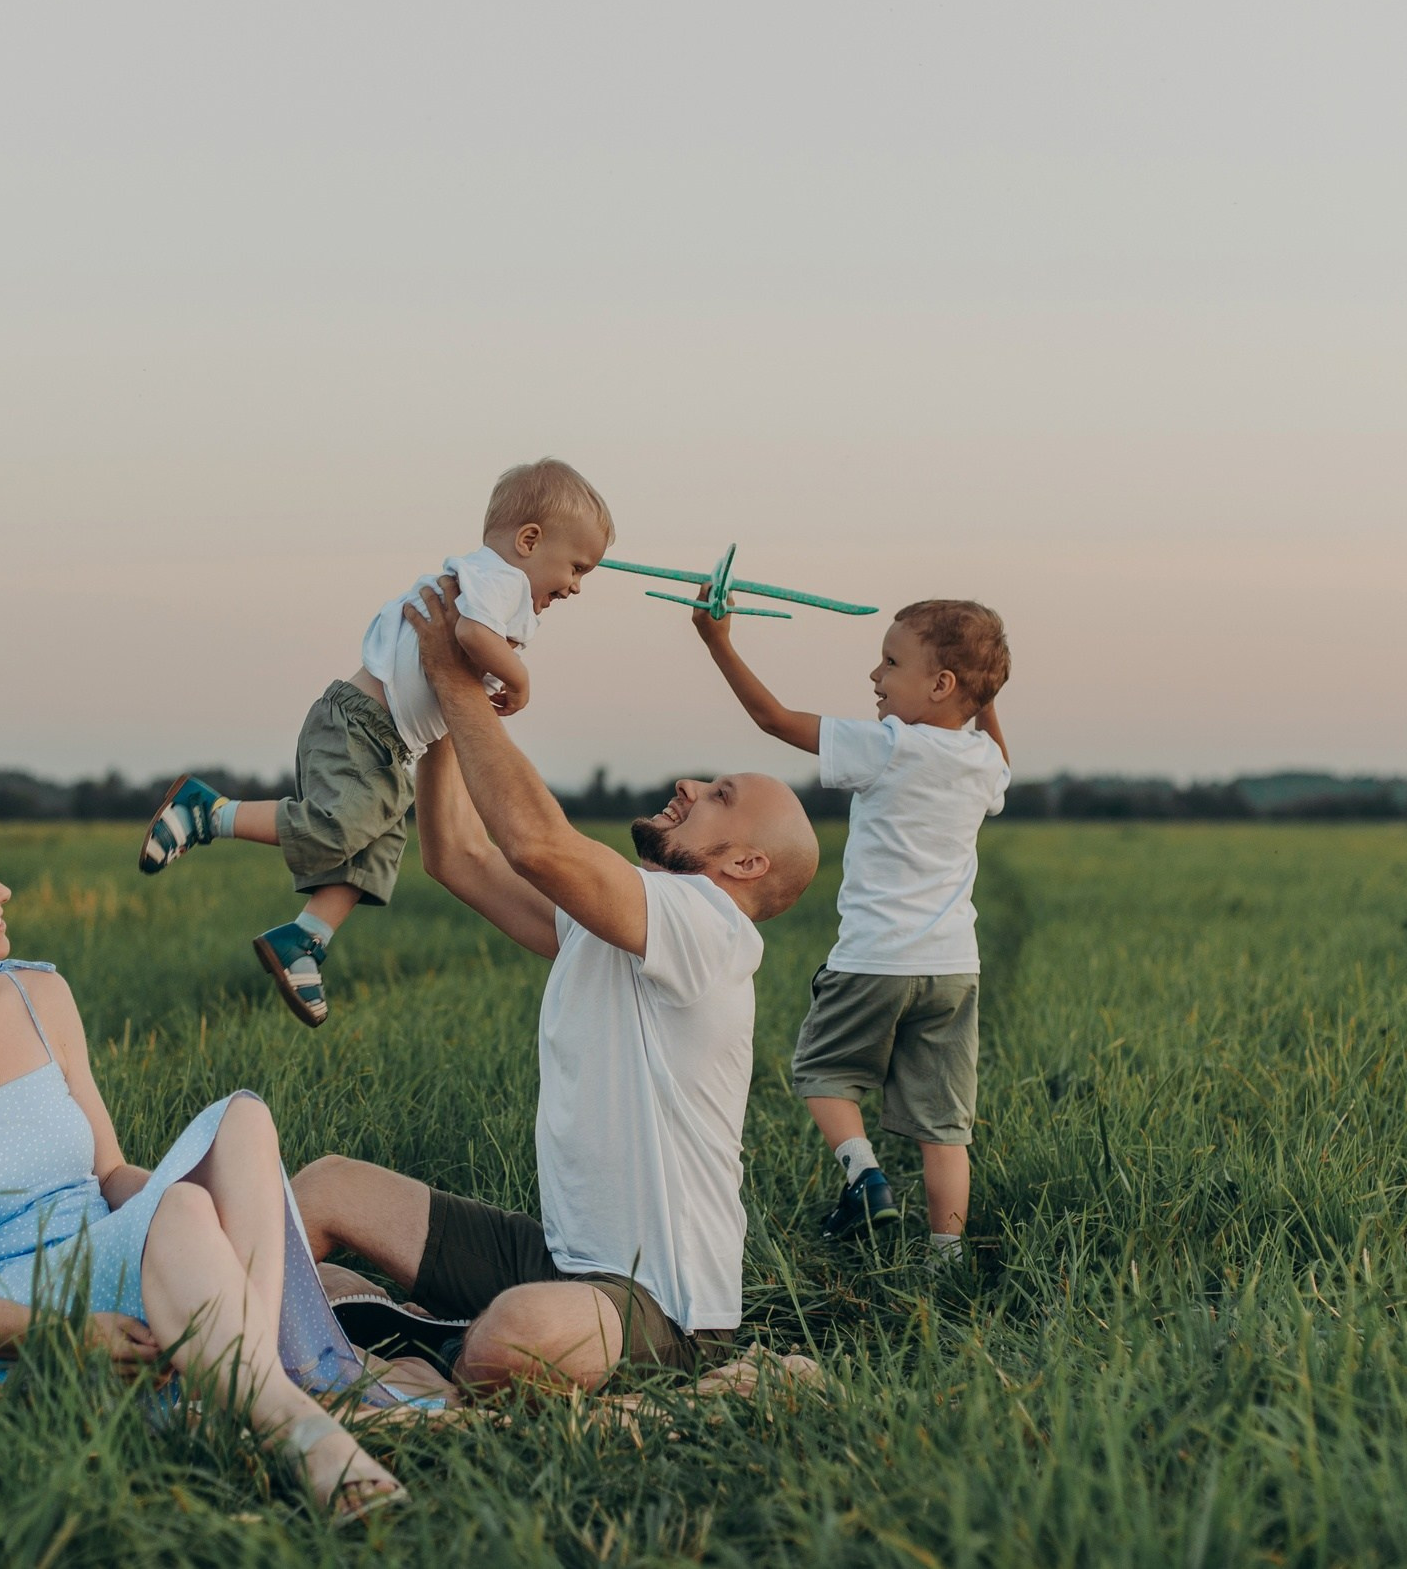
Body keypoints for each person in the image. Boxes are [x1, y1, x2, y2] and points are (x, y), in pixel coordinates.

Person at [0, 799, 409, 1522]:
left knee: (238, 1125)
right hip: (19, 1309)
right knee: (183, 1212)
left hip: (107, 1250)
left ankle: (247, 1394)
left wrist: (193, 1212)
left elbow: (112, 1171)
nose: (3, 893)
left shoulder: (40, 995)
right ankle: (295, 1425)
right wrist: (69, 1335)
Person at [292, 574, 821, 1392]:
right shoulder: (620, 921)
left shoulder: (712, 929)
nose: (689, 784)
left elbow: (539, 842)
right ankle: (235, 1334)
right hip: (561, 1258)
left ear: (746, 863)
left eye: (720, 795)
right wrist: (432, 719)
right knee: (322, 1189)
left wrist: (457, 677)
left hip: (665, 1306)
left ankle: (412, 1368)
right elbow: (459, 856)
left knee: (518, 1334)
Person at [135, 457, 615, 1028]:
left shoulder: (505, 589)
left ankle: (305, 939)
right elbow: (468, 634)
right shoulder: (498, 578)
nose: (577, 587)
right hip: (359, 725)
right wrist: (519, 678)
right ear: (529, 540)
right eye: (576, 568)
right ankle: (209, 812)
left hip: (390, 744)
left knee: (375, 855)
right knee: (339, 825)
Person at [693, 595, 1011, 1262]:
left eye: (891, 662)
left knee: (822, 1072)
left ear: (940, 685)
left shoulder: (890, 745)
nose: (875, 675)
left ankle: (864, 1176)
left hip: (875, 958)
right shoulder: (981, 762)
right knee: (945, 1128)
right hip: (954, 968)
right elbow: (999, 756)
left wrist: (717, 640)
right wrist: (985, 697)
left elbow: (772, 718)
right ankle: (945, 1259)